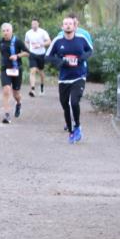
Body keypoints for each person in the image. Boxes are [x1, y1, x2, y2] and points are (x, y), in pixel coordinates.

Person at [45, 15, 93, 143]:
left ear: (74, 26)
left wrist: (82, 58)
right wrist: (60, 62)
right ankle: (71, 131)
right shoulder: (57, 41)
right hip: (64, 79)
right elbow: (48, 57)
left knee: (75, 102)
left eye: (70, 24)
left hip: (79, 76)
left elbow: (90, 50)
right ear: (62, 27)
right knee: (65, 105)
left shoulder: (81, 39)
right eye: (65, 24)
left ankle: (77, 126)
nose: (67, 26)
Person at [0, 22, 30, 124]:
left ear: (11, 31)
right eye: (3, 31)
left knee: (16, 94)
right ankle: (7, 115)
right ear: (1, 32)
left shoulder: (17, 41)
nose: (5, 33)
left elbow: (27, 52)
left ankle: (19, 103)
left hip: (17, 69)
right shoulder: (0, 42)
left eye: (7, 30)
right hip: (5, 69)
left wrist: (17, 56)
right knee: (6, 90)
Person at [23, 19, 51, 97]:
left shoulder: (43, 32)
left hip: (41, 54)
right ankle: (32, 89)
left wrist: (40, 45)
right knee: (33, 70)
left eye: (35, 23)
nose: (34, 25)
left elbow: (49, 41)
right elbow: (26, 41)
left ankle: (42, 87)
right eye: (32, 24)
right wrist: (28, 48)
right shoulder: (28, 33)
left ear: (38, 24)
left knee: (41, 72)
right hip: (32, 54)